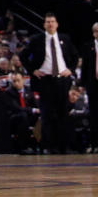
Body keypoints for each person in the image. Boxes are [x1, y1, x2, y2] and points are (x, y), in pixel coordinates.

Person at [22, 13, 79, 153]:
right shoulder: (37, 39)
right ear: (44, 25)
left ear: (57, 24)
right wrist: (33, 70)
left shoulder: (65, 38)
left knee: (63, 114)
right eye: (47, 22)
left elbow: (75, 56)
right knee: (47, 114)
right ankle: (48, 146)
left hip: (62, 80)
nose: (50, 24)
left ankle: (63, 146)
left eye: (52, 21)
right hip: (45, 80)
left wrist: (70, 70)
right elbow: (23, 55)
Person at [78, 21, 98, 154]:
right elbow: (85, 67)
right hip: (93, 85)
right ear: (93, 33)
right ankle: (95, 143)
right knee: (94, 115)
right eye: (96, 31)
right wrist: (82, 85)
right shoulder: (88, 46)